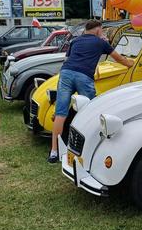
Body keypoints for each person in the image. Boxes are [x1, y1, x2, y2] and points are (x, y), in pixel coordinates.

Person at [48, 20, 134, 163]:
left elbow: (67, 59)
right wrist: (131, 63)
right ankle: (91, 148)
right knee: (91, 110)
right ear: (98, 30)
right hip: (84, 76)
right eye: (102, 30)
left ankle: (54, 152)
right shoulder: (101, 43)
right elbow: (120, 59)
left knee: (60, 114)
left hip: (66, 73)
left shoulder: (75, 41)